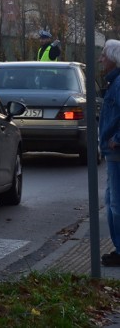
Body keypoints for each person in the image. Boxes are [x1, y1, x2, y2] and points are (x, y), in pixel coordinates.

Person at [100, 39, 120, 267]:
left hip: (117, 152)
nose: (101, 59)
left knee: (116, 204)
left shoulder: (118, 83)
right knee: (111, 201)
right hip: (112, 153)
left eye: (104, 55)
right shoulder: (114, 82)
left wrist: (116, 139)